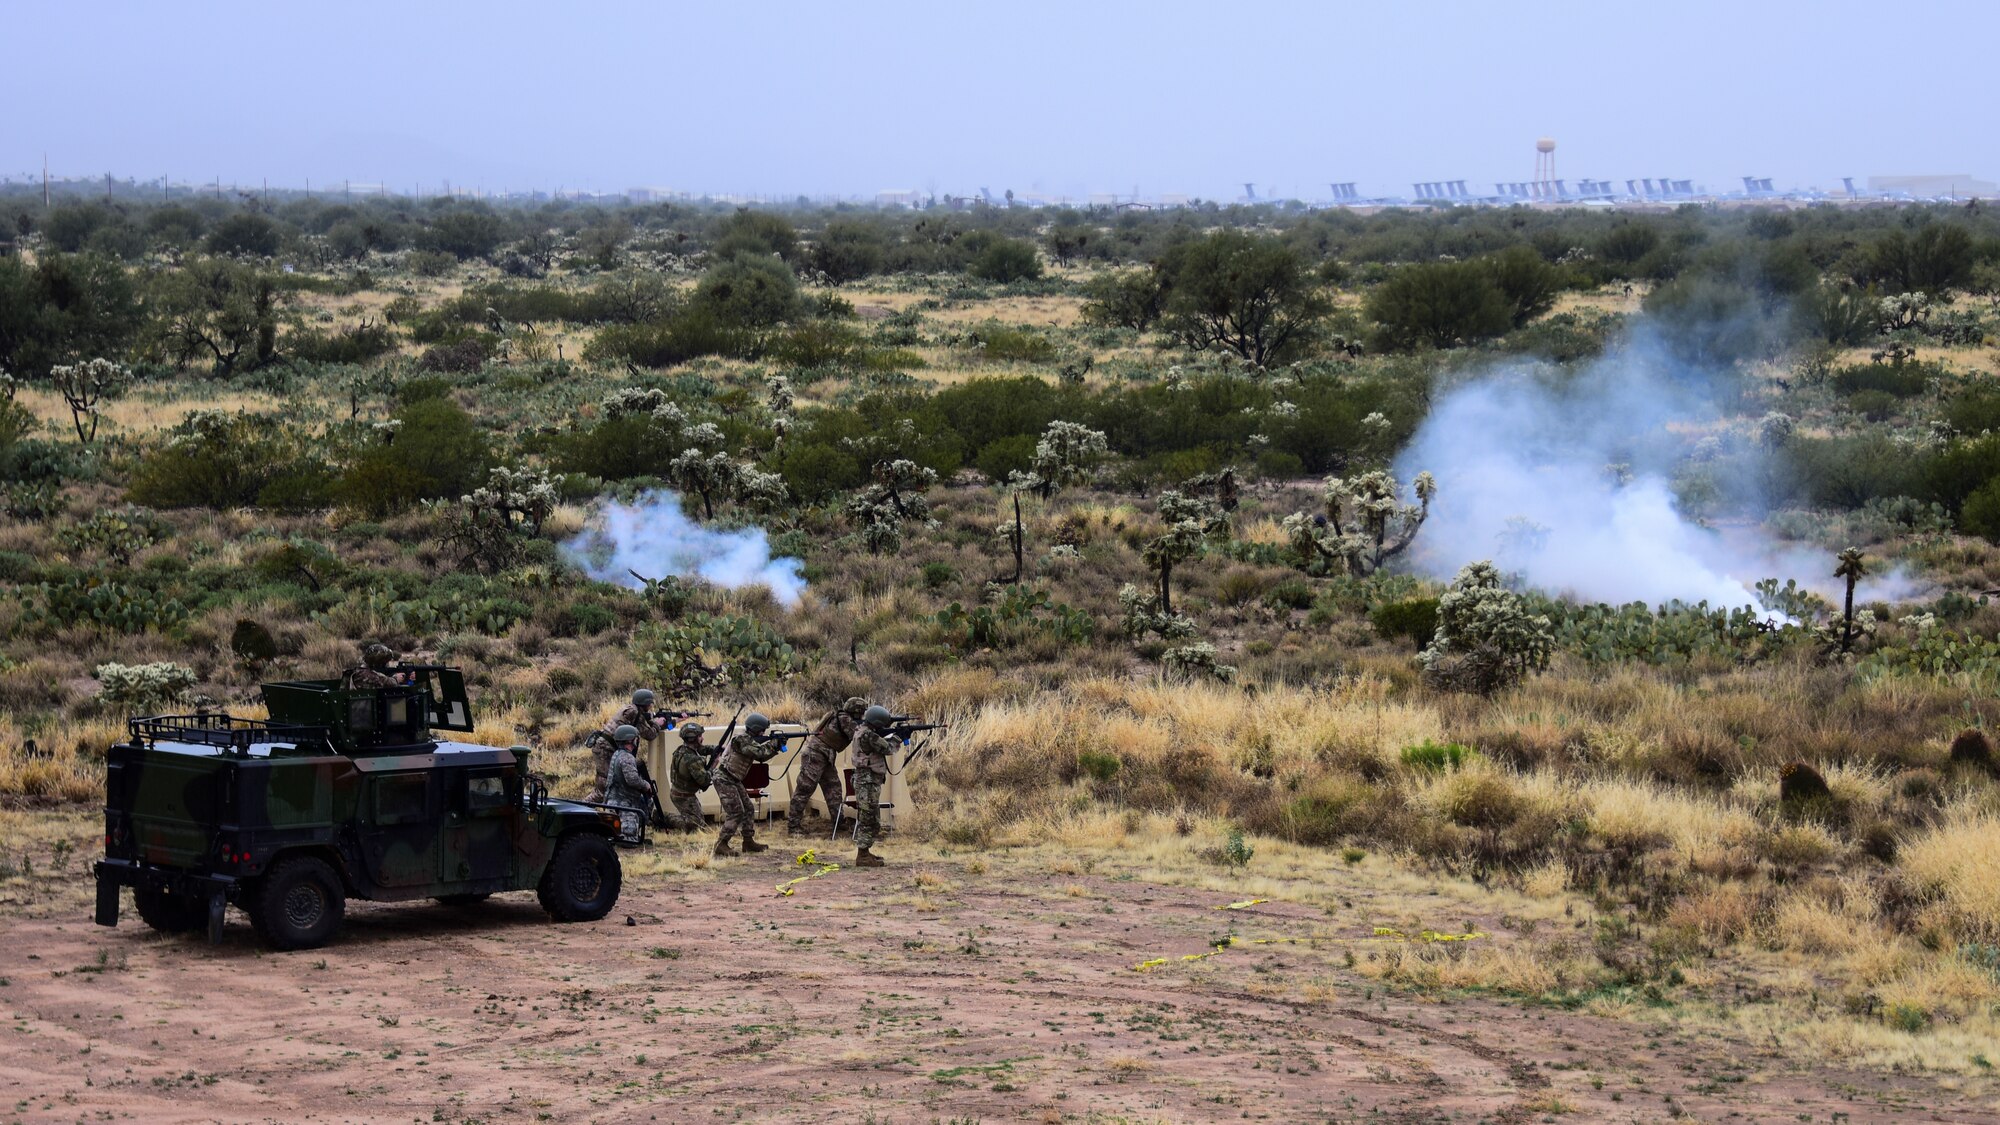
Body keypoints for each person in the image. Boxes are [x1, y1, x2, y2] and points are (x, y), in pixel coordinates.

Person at [787, 697, 868, 837]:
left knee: (834, 788)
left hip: (825, 755)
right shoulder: (844, 718)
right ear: (856, 711)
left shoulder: (842, 716)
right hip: (816, 755)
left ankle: (839, 822)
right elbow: (859, 735)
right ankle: (793, 826)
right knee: (804, 789)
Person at [712, 712, 782, 857]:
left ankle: (748, 842)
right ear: (757, 729)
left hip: (733, 779)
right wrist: (773, 744)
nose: (763, 733)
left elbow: (762, 756)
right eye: (762, 730)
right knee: (736, 812)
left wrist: (776, 747)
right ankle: (721, 843)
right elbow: (759, 753)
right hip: (724, 778)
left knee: (749, 808)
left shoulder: (747, 739)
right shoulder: (742, 740)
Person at [586, 688, 666, 803]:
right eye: (649, 704)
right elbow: (650, 734)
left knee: (609, 787)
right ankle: (579, 811)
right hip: (606, 750)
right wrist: (658, 724)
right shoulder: (635, 713)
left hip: (604, 747)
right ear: (646, 703)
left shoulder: (630, 709)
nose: (650, 706)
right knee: (603, 789)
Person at [850, 706, 898, 868]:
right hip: (867, 781)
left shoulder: (861, 730)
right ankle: (862, 856)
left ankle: (865, 852)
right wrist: (899, 738)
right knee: (867, 818)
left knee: (871, 817)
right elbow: (888, 748)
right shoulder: (868, 735)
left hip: (866, 780)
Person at [602, 725, 654, 839]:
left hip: (614, 801)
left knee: (647, 803)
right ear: (631, 740)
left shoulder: (617, 754)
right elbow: (633, 780)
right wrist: (646, 785)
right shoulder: (627, 757)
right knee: (629, 839)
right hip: (623, 803)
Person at [663, 723, 711, 832]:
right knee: (695, 827)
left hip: (680, 793)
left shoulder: (682, 749)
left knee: (700, 823)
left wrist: (718, 749)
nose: (702, 738)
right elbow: (704, 781)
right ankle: (664, 817)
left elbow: (703, 749)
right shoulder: (692, 759)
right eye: (700, 736)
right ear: (693, 739)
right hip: (684, 797)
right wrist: (713, 765)